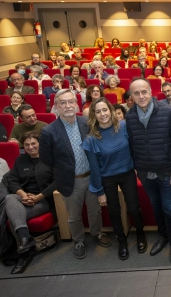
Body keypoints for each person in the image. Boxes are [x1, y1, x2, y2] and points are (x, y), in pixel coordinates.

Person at [40, 89, 111, 259]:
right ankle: (78, 240)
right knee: (74, 216)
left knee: (95, 211)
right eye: (63, 103)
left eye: (71, 102)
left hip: (92, 177)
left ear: (76, 103)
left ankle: (97, 233)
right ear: (56, 106)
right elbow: (46, 159)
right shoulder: (48, 131)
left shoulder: (86, 123)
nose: (68, 106)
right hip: (70, 181)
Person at [126, 79, 171, 265]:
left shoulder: (167, 112)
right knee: (156, 207)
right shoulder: (130, 116)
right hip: (145, 172)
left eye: (144, 92)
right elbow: (132, 145)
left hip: (167, 172)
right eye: (136, 93)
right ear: (131, 96)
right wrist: (137, 167)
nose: (141, 96)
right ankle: (163, 236)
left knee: (169, 209)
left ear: (151, 92)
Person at [82, 98, 146, 260]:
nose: (102, 114)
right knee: (114, 211)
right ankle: (122, 241)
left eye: (105, 110)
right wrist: (99, 191)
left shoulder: (124, 126)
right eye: (98, 111)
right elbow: (95, 168)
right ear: (93, 115)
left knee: (134, 207)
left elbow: (135, 147)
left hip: (127, 173)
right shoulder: (91, 139)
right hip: (107, 178)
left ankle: (140, 235)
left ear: (111, 111)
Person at [2, 132, 55, 273]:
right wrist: (23, 195)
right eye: (27, 145)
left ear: (40, 144)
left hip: (43, 200)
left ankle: (24, 255)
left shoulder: (51, 159)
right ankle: (25, 237)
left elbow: (57, 182)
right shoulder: (20, 160)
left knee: (14, 217)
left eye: (33, 143)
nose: (30, 147)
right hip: (24, 198)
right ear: (23, 146)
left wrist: (37, 197)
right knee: (10, 198)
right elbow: (12, 180)